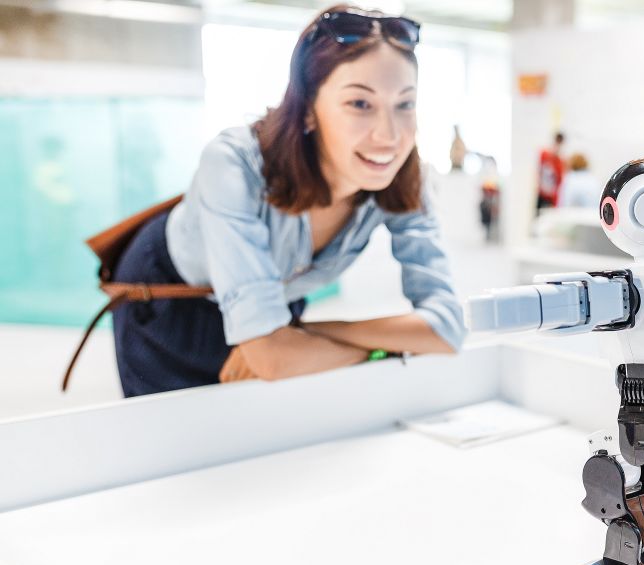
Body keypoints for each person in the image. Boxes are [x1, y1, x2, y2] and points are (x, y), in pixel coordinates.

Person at [110, 5, 464, 397]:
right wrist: (385, 345)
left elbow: (448, 329)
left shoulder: (408, 181)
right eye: (360, 104)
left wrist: (307, 335)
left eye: (405, 104)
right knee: (179, 443)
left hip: (276, 310)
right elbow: (273, 359)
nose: (390, 136)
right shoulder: (234, 163)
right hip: (171, 302)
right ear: (309, 110)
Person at [536, 131, 564, 211]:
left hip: (551, 198)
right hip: (541, 194)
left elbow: (559, 182)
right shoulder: (544, 155)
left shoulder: (559, 162)